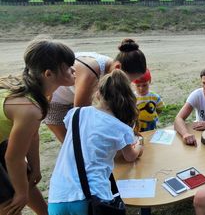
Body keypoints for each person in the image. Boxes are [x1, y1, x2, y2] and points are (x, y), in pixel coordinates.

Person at [48, 70, 143, 215]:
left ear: (98, 93)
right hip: (91, 197)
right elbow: (130, 156)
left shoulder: (75, 114)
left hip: (57, 196)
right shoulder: (121, 128)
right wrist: (139, 146)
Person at [0, 38, 76, 215]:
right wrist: (20, 193)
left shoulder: (36, 91)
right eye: (68, 67)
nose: (74, 70)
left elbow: (32, 135)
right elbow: (13, 158)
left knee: (26, 179)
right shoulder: (28, 108)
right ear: (48, 74)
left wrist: (35, 168)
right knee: (10, 202)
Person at [44, 38, 147, 142]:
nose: (127, 84)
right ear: (118, 67)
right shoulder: (91, 74)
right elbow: (81, 116)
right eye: (128, 80)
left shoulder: (112, 68)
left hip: (73, 98)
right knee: (73, 143)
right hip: (55, 101)